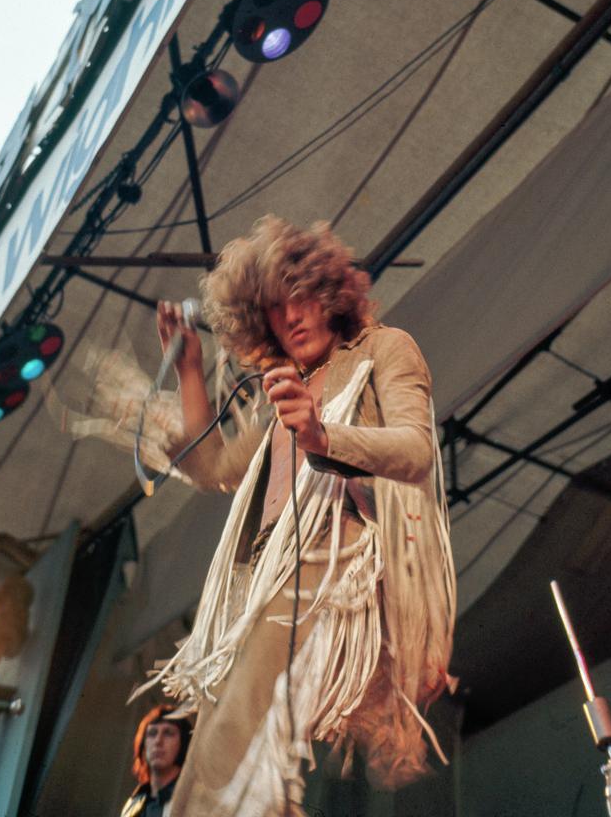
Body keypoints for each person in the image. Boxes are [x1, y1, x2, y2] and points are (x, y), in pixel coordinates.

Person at [134, 215, 456, 815]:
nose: (293, 316)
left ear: (331, 294)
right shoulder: (278, 389)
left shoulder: (385, 348)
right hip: (260, 584)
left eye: (302, 297)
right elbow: (211, 468)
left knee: (231, 754)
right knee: (216, 755)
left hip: (330, 565)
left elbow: (415, 452)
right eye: (275, 309)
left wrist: (321, 434)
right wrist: (187, 370)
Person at [120, 704, 192, 817]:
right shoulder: (133, 805)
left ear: (183, 744)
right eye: (152, 733)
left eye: (168, 733)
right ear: (143, 745)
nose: (158, 741)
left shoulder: (195, 800)